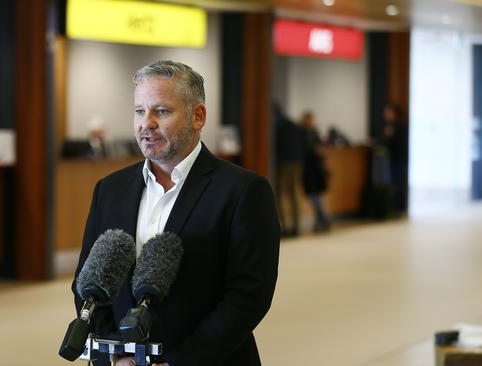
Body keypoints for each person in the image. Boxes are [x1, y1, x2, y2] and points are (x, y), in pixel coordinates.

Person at [72, 61, 280, 366]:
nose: (147, 123)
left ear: (198, 116)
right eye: (139, 111)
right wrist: (118, 356)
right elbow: (88, 282)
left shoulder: (243, 191)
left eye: (162, 111)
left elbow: (248, 297)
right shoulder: (110, 189)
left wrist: (178, 363)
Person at [274, 103, 303, 237]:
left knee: (280, 194)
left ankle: (284, 226)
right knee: (293, 193)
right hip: (297, 161)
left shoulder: (276, 125)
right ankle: (297, 225)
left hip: (283, 163)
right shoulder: (292, 124)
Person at [299, 112, 330, 232]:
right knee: (315, 197)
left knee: (315, 197)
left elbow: (318, 150)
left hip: (314, 170)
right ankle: (320, 221)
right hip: (311, 169)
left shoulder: (311, 133)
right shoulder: (307, 133)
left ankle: (322, 220)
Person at [382, 103, 409, 213]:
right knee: (393, 184)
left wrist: (389, 136)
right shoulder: (388, 126)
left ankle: (399, 207)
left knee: (399, 184)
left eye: (388, 112)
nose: (385, 114)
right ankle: (394, 206)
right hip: (392, 160)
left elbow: (395, 143)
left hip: (399, 160)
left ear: (394, 114)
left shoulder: (400, 127)